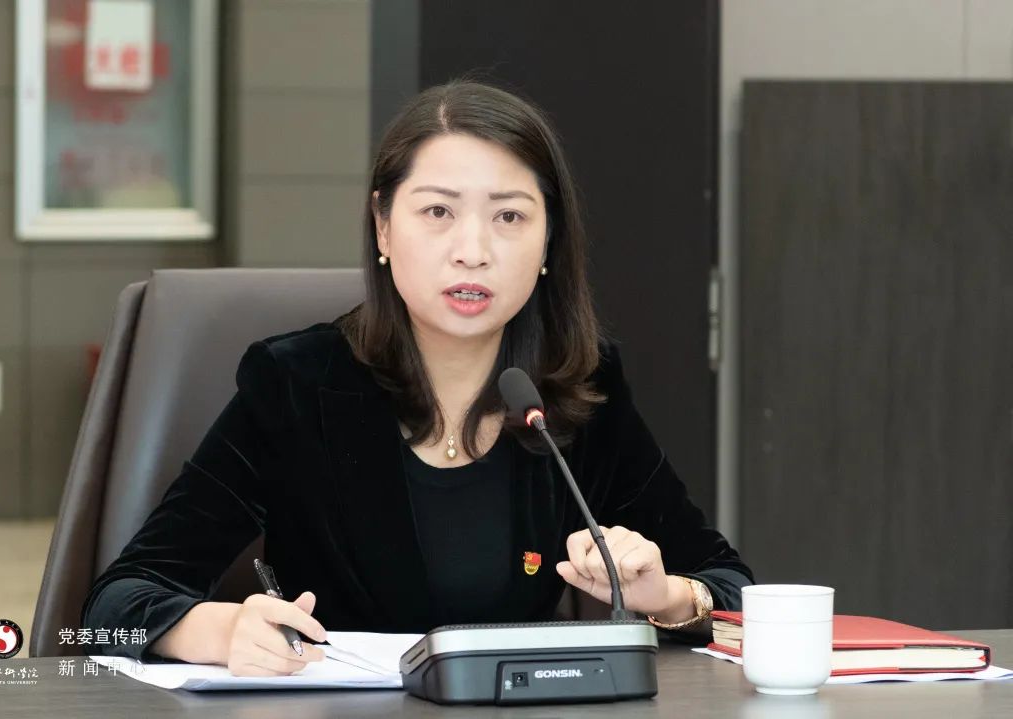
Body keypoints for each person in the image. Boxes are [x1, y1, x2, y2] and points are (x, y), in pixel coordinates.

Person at [81, 79, 753, 677]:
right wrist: (222, 630)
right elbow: (113, 608)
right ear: (382, 226)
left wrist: (667, 596)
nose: (472, 251)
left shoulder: (578, 386)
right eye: (438, 212)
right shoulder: (295, 385)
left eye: (510, 216)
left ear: (549, 240)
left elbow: (733, 590)